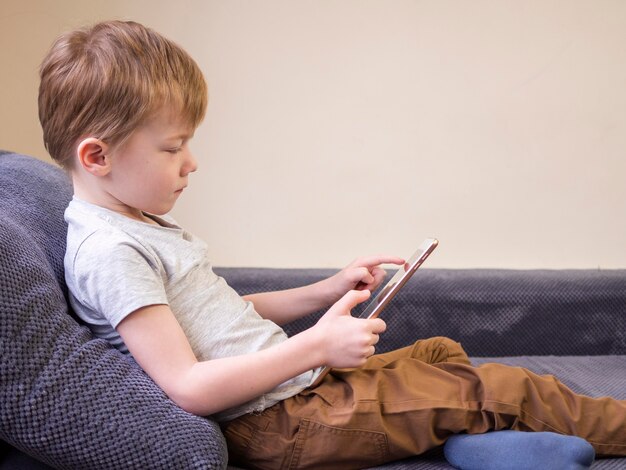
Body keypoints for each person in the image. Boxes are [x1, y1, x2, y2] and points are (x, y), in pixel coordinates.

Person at [38, 20, 621, 470]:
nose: (192, 162)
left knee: (440, 352)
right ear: (97, 156)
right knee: (505, 385)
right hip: (279, 423)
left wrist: (326, 289)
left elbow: (217, 315)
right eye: (172, 148)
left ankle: (475, 442)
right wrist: (316, 348)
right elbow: (187, 388)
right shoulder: (110, 251)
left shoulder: (138, 224)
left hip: (297, 392)